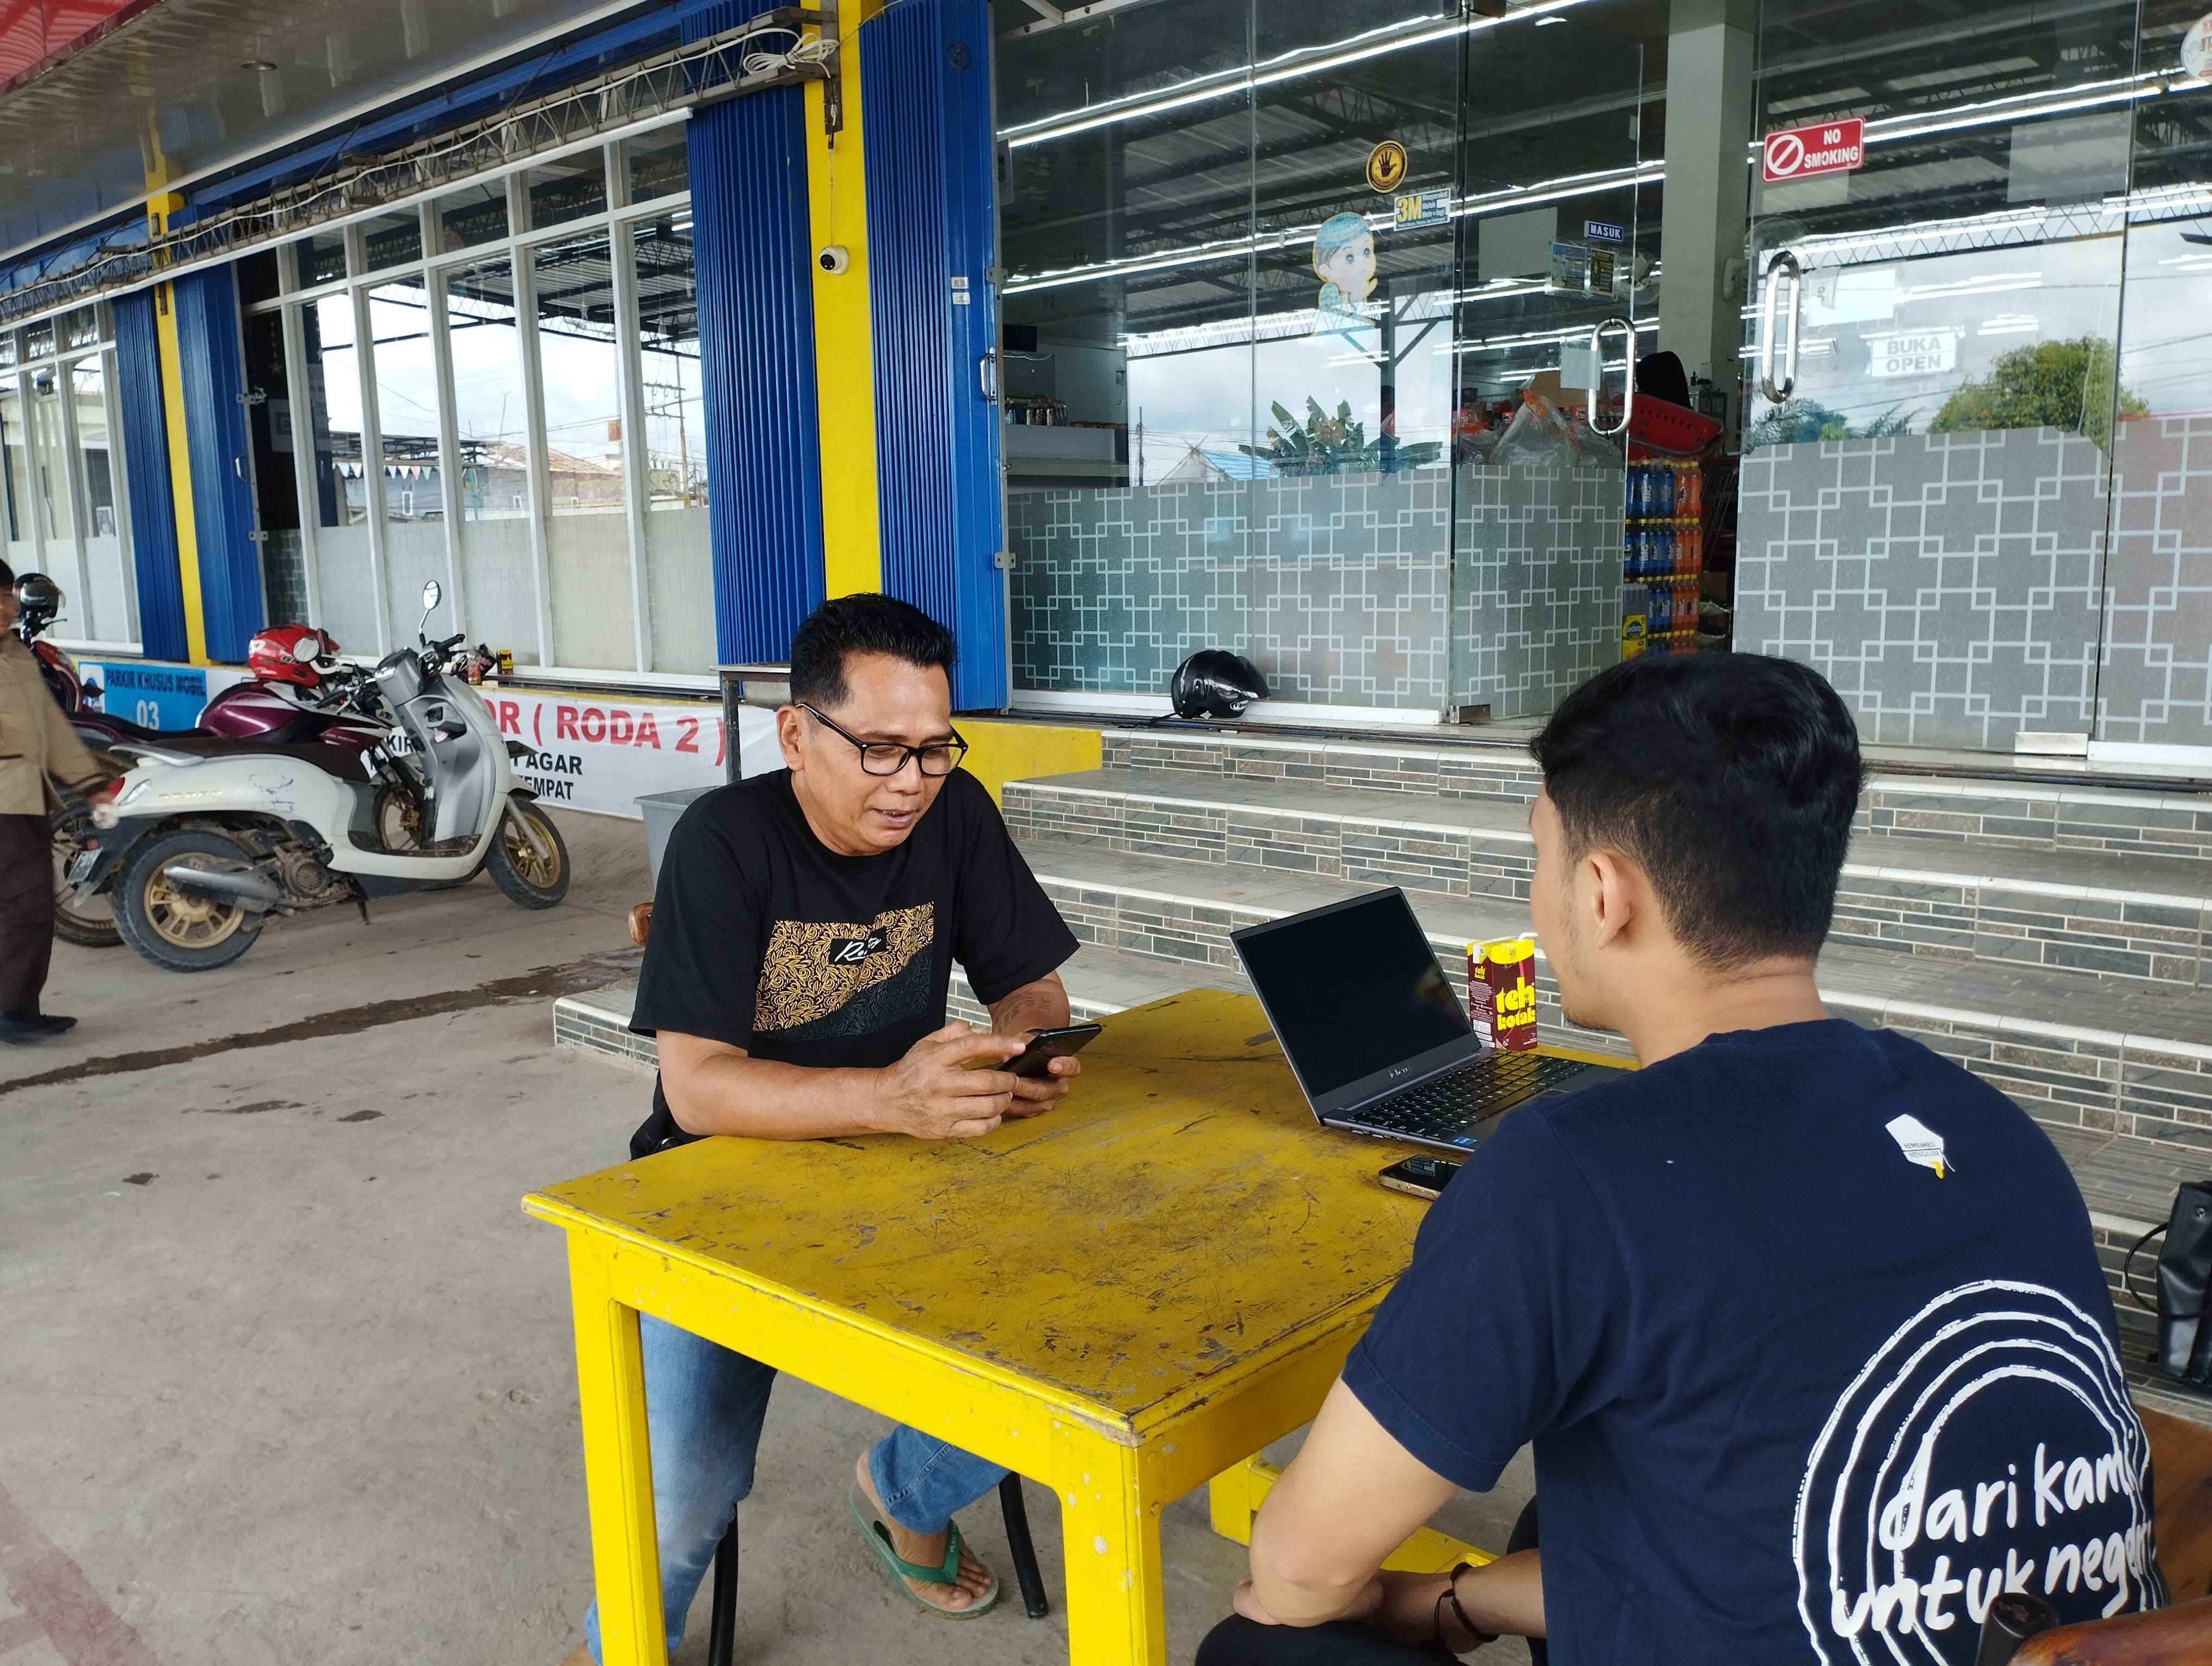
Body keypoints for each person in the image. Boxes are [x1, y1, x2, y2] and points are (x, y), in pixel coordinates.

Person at [1199, 653, 2165, 1666]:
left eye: (1541, 855)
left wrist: (1368, 1596)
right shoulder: (1989, 1126)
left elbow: (1299, 1570)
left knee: (1263, 1652)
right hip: (2068, 1640)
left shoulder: (1570, 1176)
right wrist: (1463, 1601)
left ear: (1603, 893)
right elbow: (1773, 1541)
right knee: (1576, 1508)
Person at [561, 594, 1082, 1665]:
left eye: (934, 749)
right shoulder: (724, 842)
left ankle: (900, 1492)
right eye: (880, 749)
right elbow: (698, 1090)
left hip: (910, 1162)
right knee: (685, 1492)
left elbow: (1030, 981)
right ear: (797, 734)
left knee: (1071, 1346)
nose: (911, 781)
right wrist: (891, 1097)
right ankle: (626, 1644)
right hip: (718, 1189)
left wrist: (1021, 1048)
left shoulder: (955, 811)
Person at [0, 561, 117, 1045]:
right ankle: (11, 1012)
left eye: (5, 598)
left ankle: (18, 1008)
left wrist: (91, 782)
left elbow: (51, 725)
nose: (2, 608)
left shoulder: (16, 654)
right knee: (25, 904)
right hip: (6, 802)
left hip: (25, 798)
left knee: (29, 905)